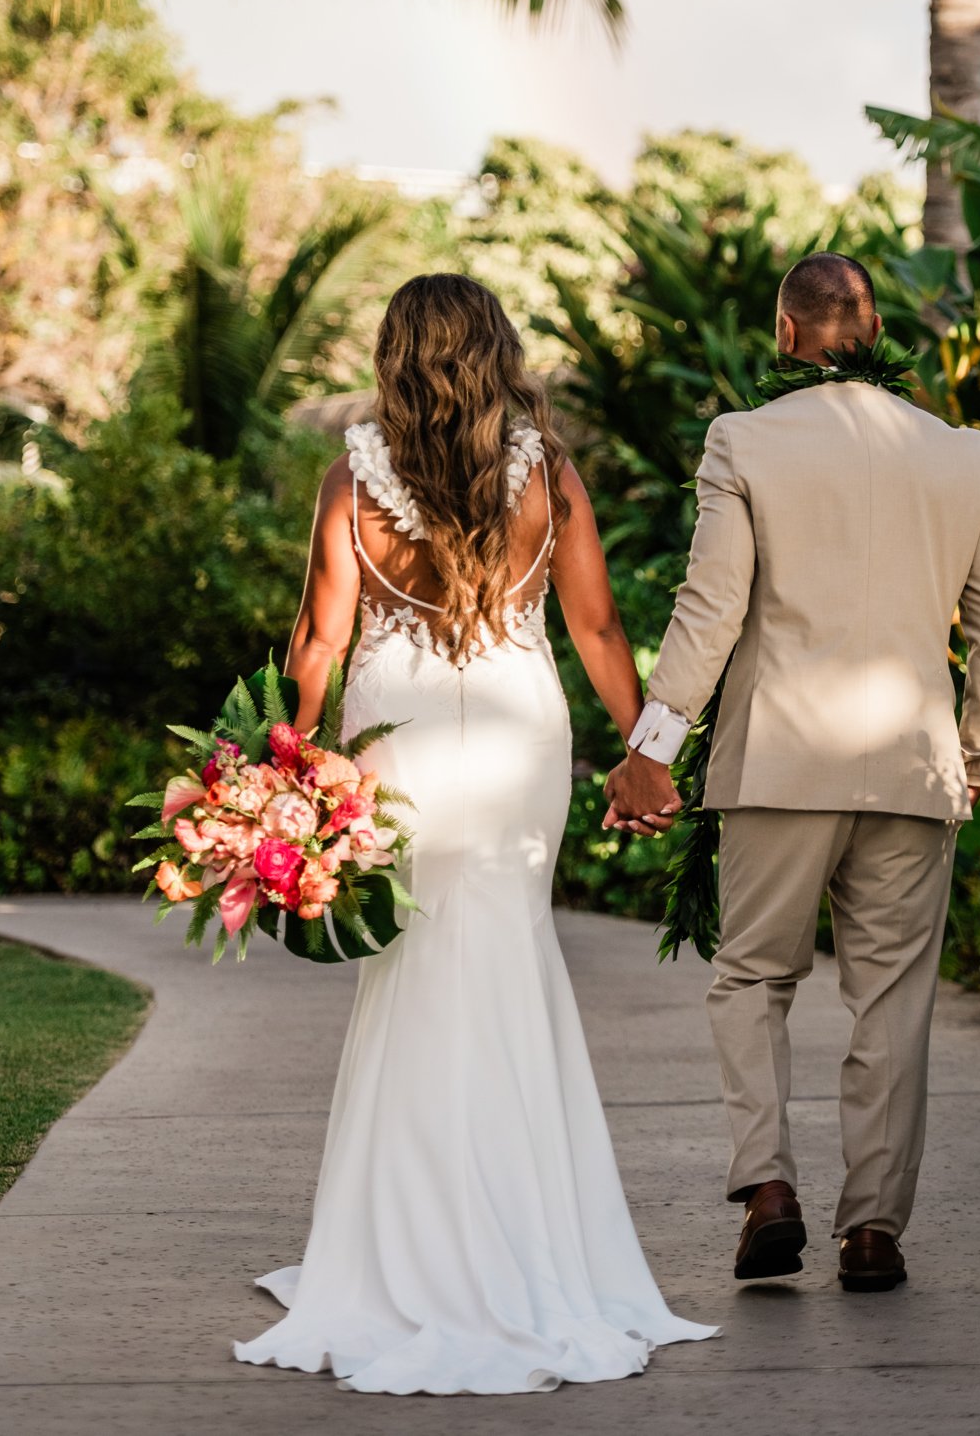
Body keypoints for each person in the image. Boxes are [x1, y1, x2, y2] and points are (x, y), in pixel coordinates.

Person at [234, 273, 713, 1393]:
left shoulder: (351, 479)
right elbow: (594, 626)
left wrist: (280, 770)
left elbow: (315, 639)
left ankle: (401, 1251)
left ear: (397, 359)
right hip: (517, 738)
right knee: (503, 957)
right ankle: (532, 1245)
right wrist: (643, 753)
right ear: (495, 352)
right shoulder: (546, 472)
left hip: (391, 738)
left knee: (408, 968)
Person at [604, 253, 980, 1292]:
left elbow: (710, 607)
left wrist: (649, 751)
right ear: (871, 329)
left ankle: (767, 1190)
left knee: (751, 978)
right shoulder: (959, 454)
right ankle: (873, 1231)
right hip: (910, 769)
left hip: (778, 762)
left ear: (787, 335)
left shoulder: (744, 440)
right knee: (890, 999)